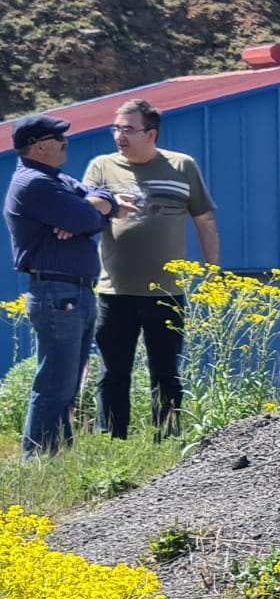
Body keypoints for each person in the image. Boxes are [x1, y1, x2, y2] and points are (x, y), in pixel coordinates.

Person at [83, 99, 216, 440]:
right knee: (113, 371)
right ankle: (112, 440)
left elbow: (204, 221)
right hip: (115, 291)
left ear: (151, 133)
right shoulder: (101, 167)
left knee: (165, 372)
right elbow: (83, 210)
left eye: (128, 128)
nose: (119, 135)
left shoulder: (182, 166)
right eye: (116, 128)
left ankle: (168, 437)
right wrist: (106, 205)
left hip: (167, 291)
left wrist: (214, 275)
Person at [5, 114, 137, 456]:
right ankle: (39, 461)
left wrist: (94, 208)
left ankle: (56, 459)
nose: (66, 142)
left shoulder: (56, 179)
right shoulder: (35, 183)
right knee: (55, 386)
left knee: (67, 386)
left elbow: (101, 198)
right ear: (39, 146)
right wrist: (90, 215)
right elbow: (87, 216)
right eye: (58, 138)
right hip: (57, 292)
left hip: (72, 292)